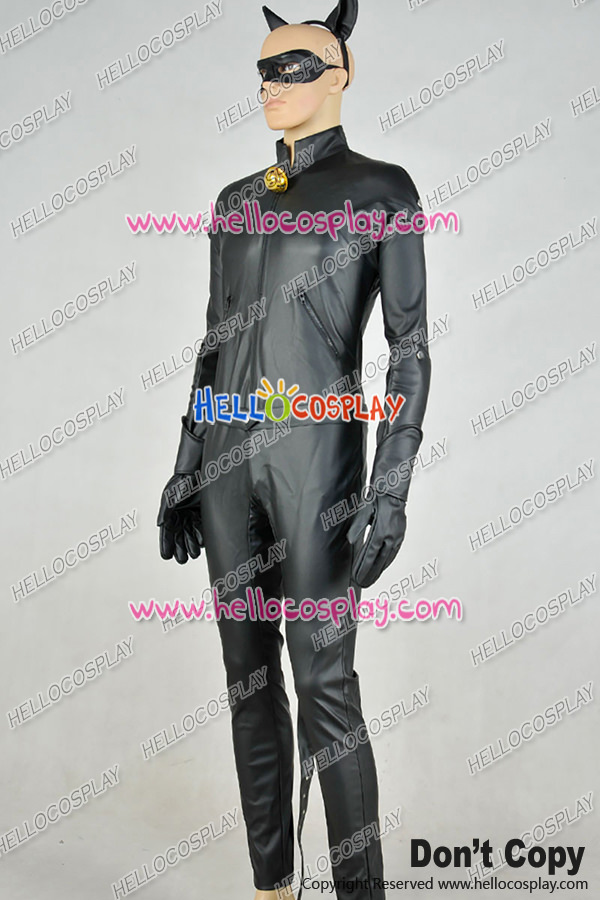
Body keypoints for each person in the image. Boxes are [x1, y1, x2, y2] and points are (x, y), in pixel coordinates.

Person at [157, 3, 431, 898]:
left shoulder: (382, 191)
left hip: (318, 463)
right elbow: (216, 339)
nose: (273, 83)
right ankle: (272, 883)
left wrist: (391, 485)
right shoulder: (236, 203)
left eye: (296, 67)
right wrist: (187, 462)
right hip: (229, 463)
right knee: (247, 682)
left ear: (341, 73)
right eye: (265, 69)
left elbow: (410, 350)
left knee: (324, 687)